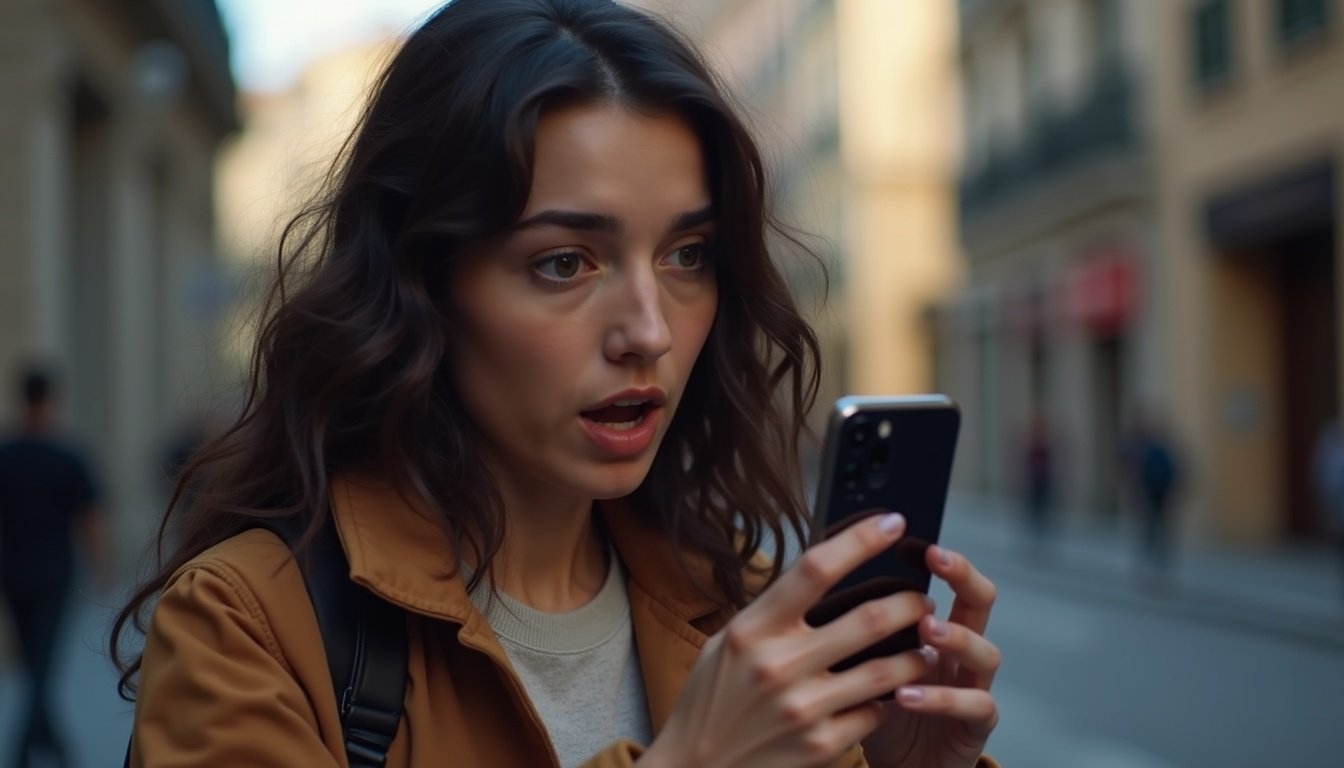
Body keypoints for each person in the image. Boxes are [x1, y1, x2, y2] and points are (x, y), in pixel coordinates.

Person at [113, 2, 1002, 766]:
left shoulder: (744, 606)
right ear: (422, 286)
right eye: (565, 262)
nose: (649, 331)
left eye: (687, 254)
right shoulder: (247, 627)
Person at [0, 366, 106, 767]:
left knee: (34, 665)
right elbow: (90, 518)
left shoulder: (5, 454)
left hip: (12, 573)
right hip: (54, 575)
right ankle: (23, 751)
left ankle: (53, 744)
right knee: (40, 667)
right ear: (51, 401)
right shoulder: (67, 456)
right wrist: (100, 566)